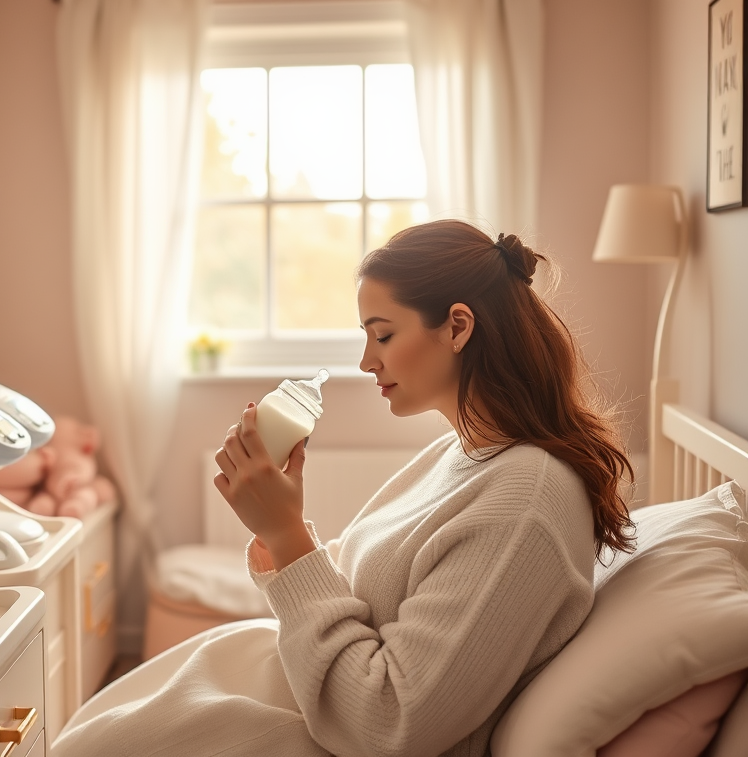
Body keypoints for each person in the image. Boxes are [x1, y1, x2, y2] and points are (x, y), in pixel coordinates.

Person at [51, 219, 634, 757]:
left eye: (382, 335)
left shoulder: (524, 501)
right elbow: (365, 602)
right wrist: (277, 528)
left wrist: (285, 533)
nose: (365, 361)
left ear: (457, 326)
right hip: (279, 683)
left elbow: (390, 721)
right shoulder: (468, 455)